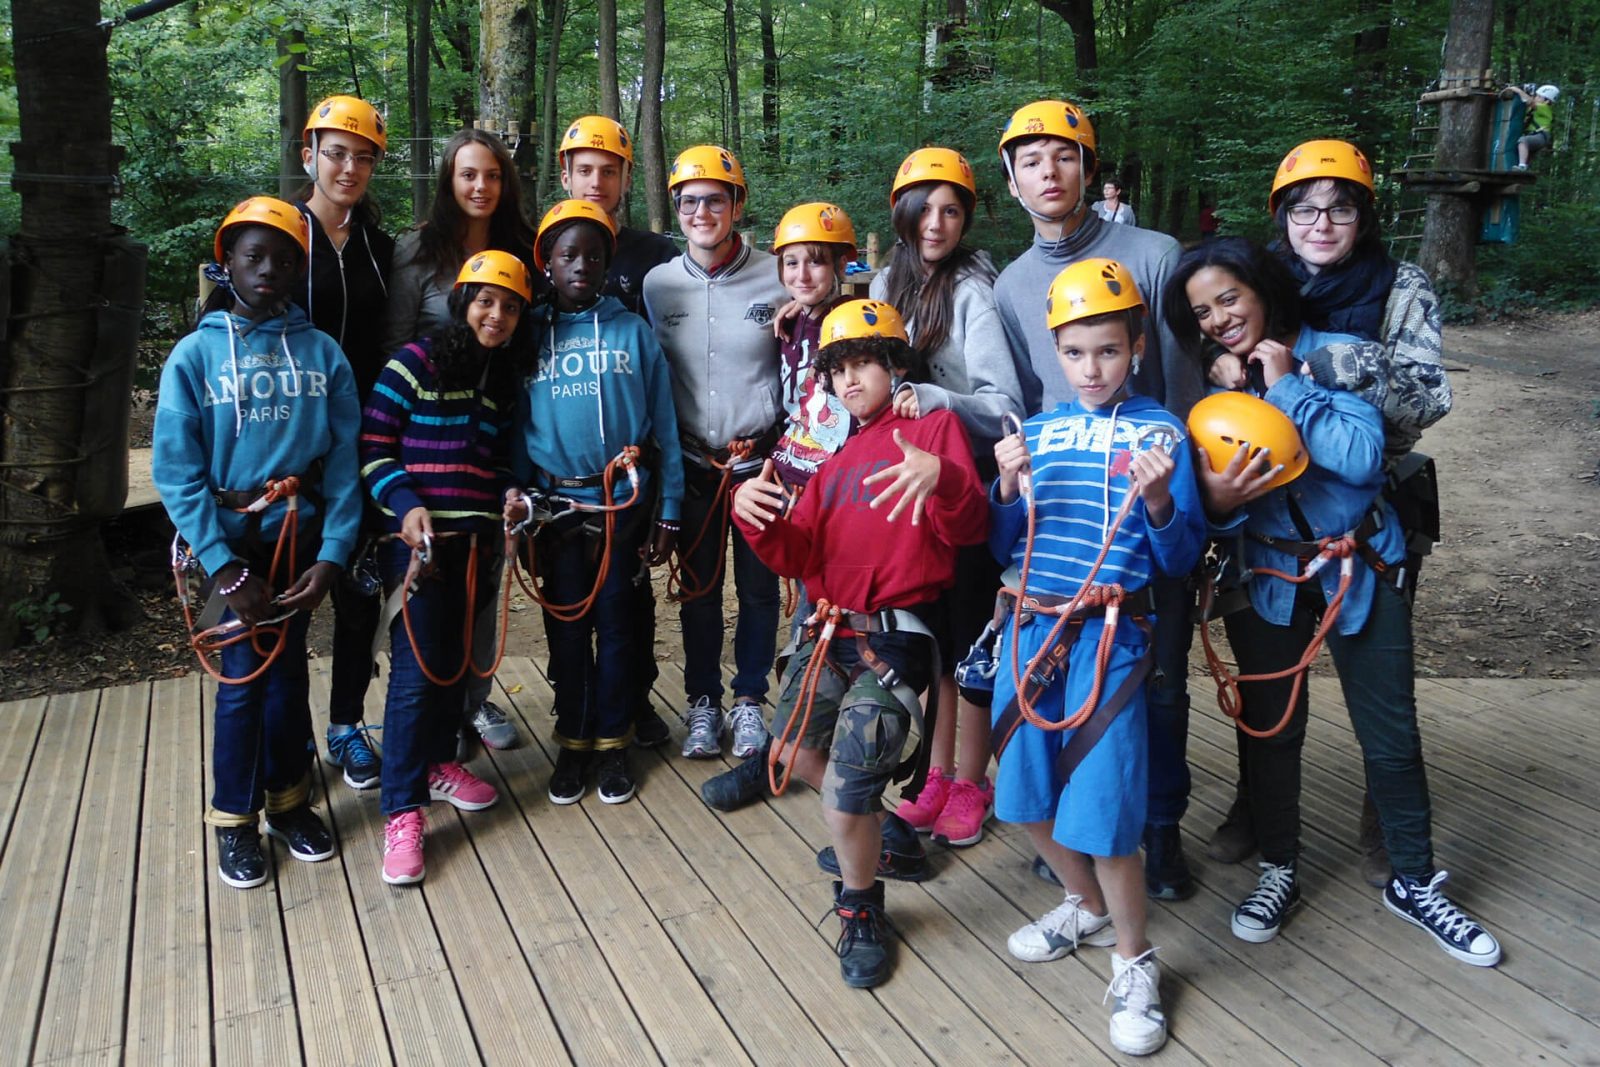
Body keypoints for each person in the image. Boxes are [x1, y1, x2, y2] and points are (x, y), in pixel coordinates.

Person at [1165, 237, 1500, 968]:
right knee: (1269, 730)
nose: (1220, 318)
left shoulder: (1337, 352)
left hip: (1361, 565)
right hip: (1270, 578)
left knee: (1391, 733)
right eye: (1202, 311)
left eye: (1230, 298)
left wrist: (1286, 385)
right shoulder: (1213, 387)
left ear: (1260, 288)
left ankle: (1414, 879)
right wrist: (1219, 501)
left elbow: (1358, 458)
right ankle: (1278, 867)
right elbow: (1213, 506)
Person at [1205, 140, 1454, 888]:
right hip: (1267, 507)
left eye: (1340, 207)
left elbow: (1427, 396)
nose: (1321, 222)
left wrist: (1316, 366)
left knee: (1382, 687)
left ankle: (1386, 813)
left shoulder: (1398, 286)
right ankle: (1259, 806)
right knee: (1269, 684)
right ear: (1282, 216)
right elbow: (1212, 325)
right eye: (1305, 208)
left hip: (1361, 498)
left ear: (1363, 216)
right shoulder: (1261, 279)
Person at [721, 298, 987, 987]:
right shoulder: (836, 459)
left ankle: (861, 906)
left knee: (842, 795)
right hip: (830, 629)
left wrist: (947, 477)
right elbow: (798, 548)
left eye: (863, 362)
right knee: (790, 753)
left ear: (897, 365)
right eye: (836, 368)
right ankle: (879, 828)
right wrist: (753, 517)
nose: (848, 380)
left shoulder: (931, 428)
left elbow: (967, 529)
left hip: (895, 636)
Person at [989, 259, 1204, 1056]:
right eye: (1076, 353)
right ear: (1055, 353)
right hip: (1033, 629)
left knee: (1109, 811)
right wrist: (1006, 491)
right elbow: (1004, 544)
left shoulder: (1161, 433)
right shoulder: (1035, 434)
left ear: (1137, 348)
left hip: (1112, 639)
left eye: (1108, 352)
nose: (1092, 368)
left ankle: (1134, 957)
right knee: (1023, 790)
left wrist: (1157, 500)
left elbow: (1179, 556)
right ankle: (1081, 904)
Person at [993, 98, 1204, 899]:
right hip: (1066, 509)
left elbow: (1182, 387)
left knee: (1161, 681)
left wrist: (1182, 505)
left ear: (1090, 164)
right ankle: (1075, 840)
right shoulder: (1014, 283)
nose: (1050, 173)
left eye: (1065, 156)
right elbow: (1024, 399)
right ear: (1011, 180)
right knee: (1060, 679)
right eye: (1032, 161)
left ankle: (1161, 830)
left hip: (1149, 496)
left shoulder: (1153, 255)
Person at [153, 196, 362, 888]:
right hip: (230, 548)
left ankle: (290, 802)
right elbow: (176, 473)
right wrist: (221, 567)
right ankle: (234, 819)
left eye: (283, 258)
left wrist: (334, 553)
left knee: (290, 673)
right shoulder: (196, 355)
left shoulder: (323, 353)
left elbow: (343, 460)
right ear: (228, 264)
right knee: (243, 681)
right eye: (254, 256)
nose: (269, 268)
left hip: (297, 542)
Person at [870, 146, 1024, 849]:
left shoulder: (972, 291)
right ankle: (934, 775)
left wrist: (931, 397)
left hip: (963, 488)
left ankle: (971, 780)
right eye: (924, 208)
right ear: (901, 212)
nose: (936, 222)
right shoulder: (884, 281)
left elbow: (1004, 405)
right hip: (907, 496)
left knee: (967, 643)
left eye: (952, 209)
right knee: (927, 642)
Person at [505, 201, 684, 805]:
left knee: (617, 622)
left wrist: (669, 511)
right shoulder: (528, 332)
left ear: (610, 264)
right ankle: (572, 736)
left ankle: (614, 740)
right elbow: (518, 425)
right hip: (557, 509)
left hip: (624, 505)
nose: (582, 265)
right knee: (565, 626)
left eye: (594, 255)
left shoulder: (633, 331)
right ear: (547, 264)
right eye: (568, 255)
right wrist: (525, 503)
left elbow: (664, 423)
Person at [361, 250, 528, 884]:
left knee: (454, 665)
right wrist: (404, 507)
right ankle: (401, 811)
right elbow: (374, 447)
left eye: (509, 306)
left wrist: (510, 496)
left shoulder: (500, 380)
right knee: (415, 675)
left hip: (474, 546)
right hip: (418, 550)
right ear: (462, 302)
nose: (497, 314)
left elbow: (498, 465)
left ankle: (434, 762)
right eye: (486, 300)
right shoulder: (416, 363)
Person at [385, 128, 537, 754]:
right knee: (428, 610)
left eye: (493, 175)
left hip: (496, 429)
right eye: (468, 174)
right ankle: (422, 735)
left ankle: (469, 706)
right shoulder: (418, 251)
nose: (481, 186)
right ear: (449, 181)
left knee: (481, 586)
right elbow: (393, 345)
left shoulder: (522, 248)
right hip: (425, 440)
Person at [642, 144, 786, 761]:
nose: (702, 211)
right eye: (690, 201)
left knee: (757, 590)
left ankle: (749, 698)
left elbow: (802, 363)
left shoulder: (778, 276)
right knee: (698, 590)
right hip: (693, 463)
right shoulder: (658, 284)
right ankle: (703, 701)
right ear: (676, 208)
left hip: (758, 463)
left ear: (737, 204)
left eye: (715, 199)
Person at [557, 115, 683, 750]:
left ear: (627, 177)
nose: (596, 181)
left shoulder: (654, 253)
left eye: (608, 171)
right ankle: (573, 711)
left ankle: (633, 700)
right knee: (570, 598)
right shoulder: (553, 243)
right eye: (585, 170)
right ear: (566, 174)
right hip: (568, 459)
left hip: (636, 447)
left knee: (629, 595)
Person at [292, 94, 396, 793]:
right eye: (337, 152)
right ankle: (289, 734)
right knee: (291, 595)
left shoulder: (380, 249)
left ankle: (345, 725)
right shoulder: (275, 236)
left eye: (363, 157)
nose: (349, 167)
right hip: (288, 450)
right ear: (309, 154)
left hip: (362, 446)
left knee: (359, 596)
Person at [1510, 84, 1559, 170]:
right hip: (1536, 135)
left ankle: (1522, 166)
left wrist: (1517, 90)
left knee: (1523, 141)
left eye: (1539, 96)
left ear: (1547, 101)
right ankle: (1522, 169)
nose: (1536, 98)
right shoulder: (1537, 108)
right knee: (1527, 155)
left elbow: (1529, 101)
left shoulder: (1544, 107)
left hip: (1540, 136)